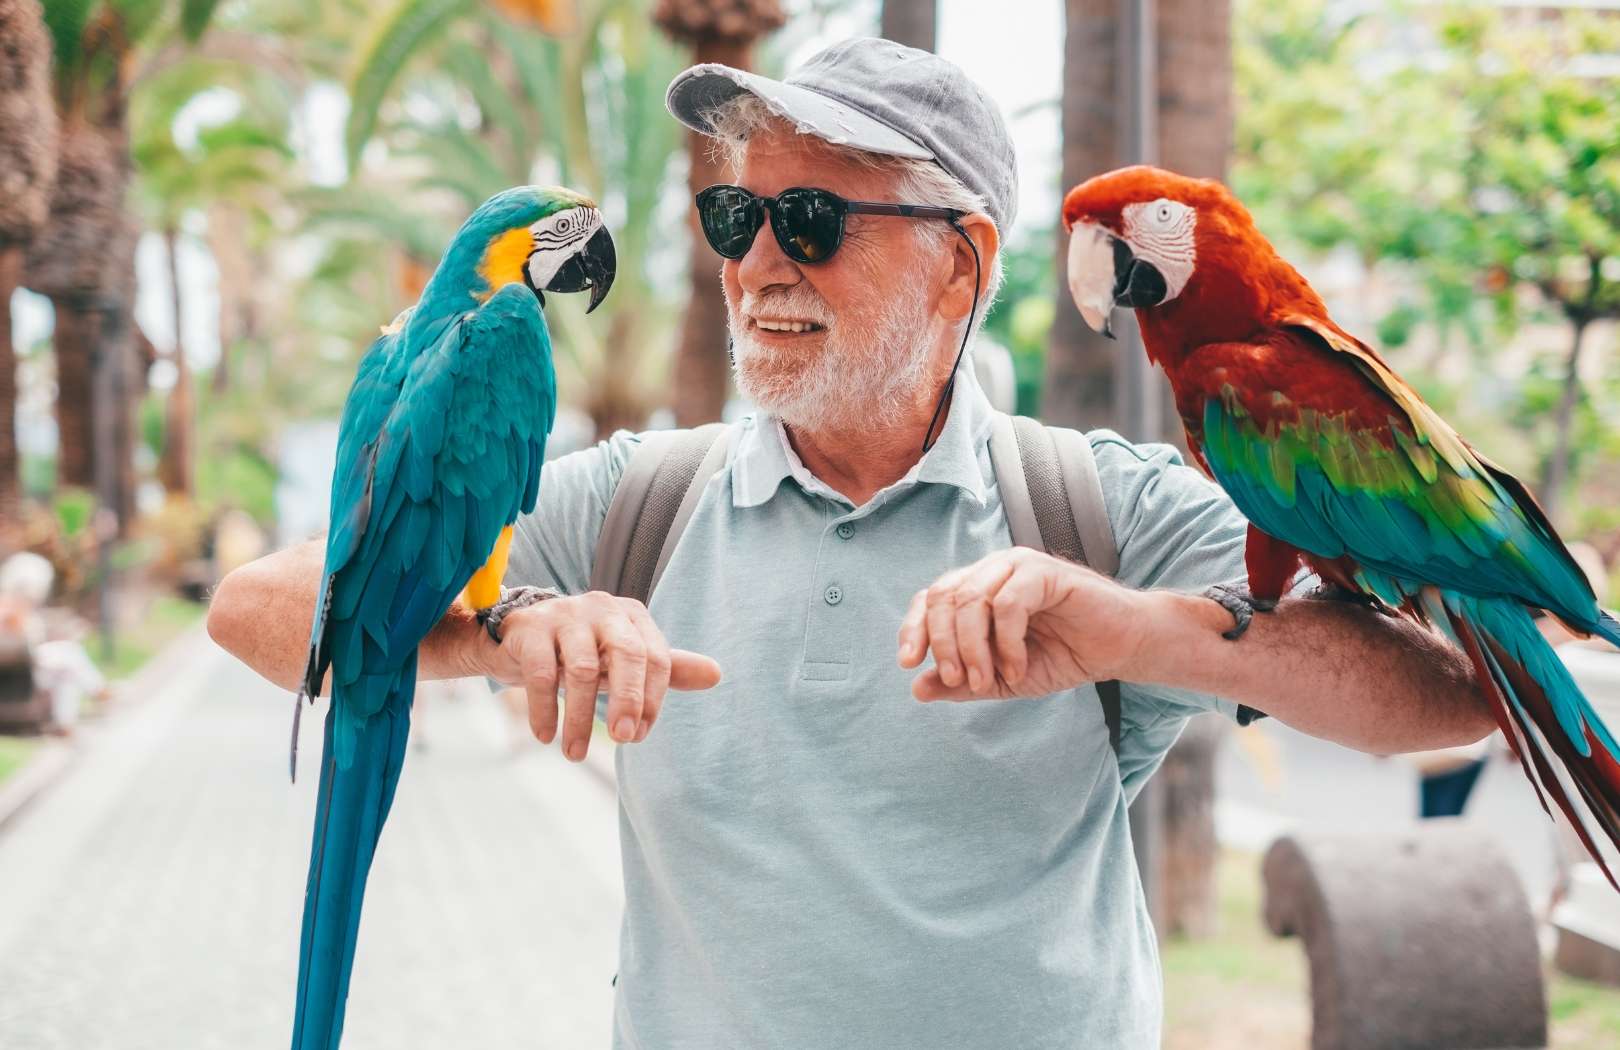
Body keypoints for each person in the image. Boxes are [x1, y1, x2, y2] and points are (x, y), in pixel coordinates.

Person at [209, 38, 1492, 1050]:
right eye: (734, 220)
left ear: (959, 267)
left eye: (812, 222)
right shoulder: (629, 505)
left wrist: (1128, 628)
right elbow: (253, 610)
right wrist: (506, 631)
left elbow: (1457, 692)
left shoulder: (1104, 513)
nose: (759, 263)